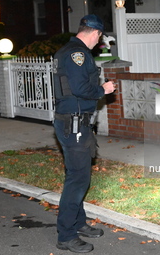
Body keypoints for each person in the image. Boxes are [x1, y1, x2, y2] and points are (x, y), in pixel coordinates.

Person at [52, 14, 116, 253]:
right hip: (74, 124)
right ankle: (66, 235)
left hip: (74, 123)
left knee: (77, 176)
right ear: (95, 33)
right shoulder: (77, 54)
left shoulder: (68, 51)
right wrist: (103, 89)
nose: (98, 43)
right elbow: (80, 89)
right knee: (78, 180)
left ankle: (77, 223)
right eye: (99, 38)